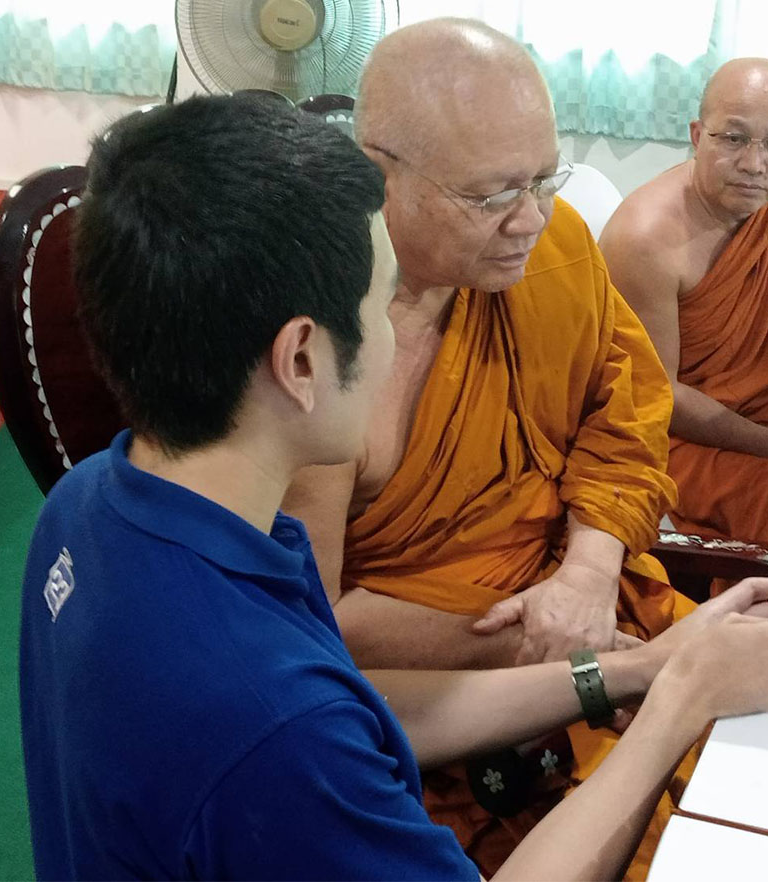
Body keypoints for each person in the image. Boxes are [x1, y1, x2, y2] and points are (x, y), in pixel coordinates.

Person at [18, 93, 768, 881]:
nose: (402, 333)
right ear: (302, 359)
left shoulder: (86, 504)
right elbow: (307, 727)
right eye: (385, 302)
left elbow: (358, 703)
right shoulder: (274, 732)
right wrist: (679, 705)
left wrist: (639, 671)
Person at [281, 19, 691, 874]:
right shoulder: (319, 356)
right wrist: (544, 647)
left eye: (543, 178)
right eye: (492, 195)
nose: (531, 219)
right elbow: (308, 624)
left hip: (596, 606)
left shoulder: (556, 250)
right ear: (378, 173)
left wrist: (587, 574)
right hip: (447, 694)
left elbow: (625, 416)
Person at [599, 58, 768, 551]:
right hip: (680, 443)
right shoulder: (644, 238)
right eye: (733, 138)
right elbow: (656, 397)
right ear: (697, 136)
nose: (755, 164)